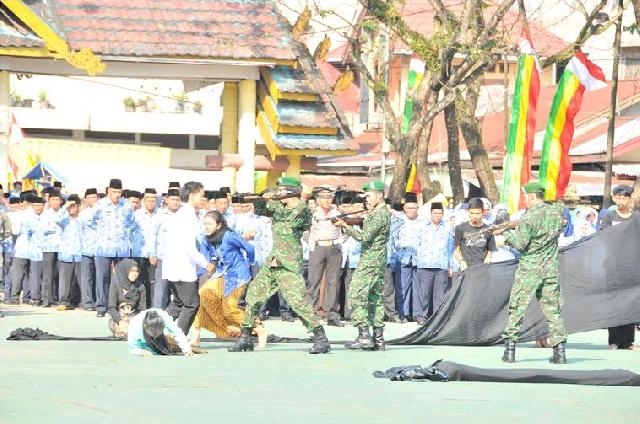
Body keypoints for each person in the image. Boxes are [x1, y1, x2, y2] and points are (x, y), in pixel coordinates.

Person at [228, 176, 330, 354]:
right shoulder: (278, 207)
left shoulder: (302, 210)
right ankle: (246, 336)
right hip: (273, 261)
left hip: (288, 263)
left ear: (291, 192)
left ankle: (321, 338)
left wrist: (273, 200)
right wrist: (261, 198)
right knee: (253, 296)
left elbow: (290, 215)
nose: (278, 193)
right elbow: (261, 209)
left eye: (282, 190)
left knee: (298, 302)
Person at [497, 181, 567, 364]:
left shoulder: (528, 218)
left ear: (531, 196)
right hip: (550, 268)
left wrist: (504, 232)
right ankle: (560, 352)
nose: (524, 201)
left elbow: (520, 244)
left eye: (525, 197)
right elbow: (560, 226)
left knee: (517, 308)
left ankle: (510, 351)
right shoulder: (556, 214)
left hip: (529, 269)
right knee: (554, 311)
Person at [190, 211, 266, 347]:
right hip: (222, 274)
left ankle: (258, 328)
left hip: (238, 275)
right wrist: (209, 268)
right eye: (205, 224)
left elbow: (249, 248)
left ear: (219, 225)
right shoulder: (206, 238)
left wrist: (249, 262)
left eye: (209, 224)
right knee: (205, 295)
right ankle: (196, 336)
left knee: (229, 309)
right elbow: (210, 256)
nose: (206, 226)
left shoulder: (229, 236)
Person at [335, 180, 390, 350]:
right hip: (376, 260)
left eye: (369, 195)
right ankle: (378, 339)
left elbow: (364, 237)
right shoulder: (376, 212)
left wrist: (345, 226)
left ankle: (364, 336)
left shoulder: (380, 214)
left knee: (356, 295)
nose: (366, 199)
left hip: (371, 261)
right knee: (375, 298)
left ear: (380, 195)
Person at [163, 182, 214, 336]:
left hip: (179, 266)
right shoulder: (186, 216)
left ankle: (155, 331)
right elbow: (188, 247)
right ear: (192, 196)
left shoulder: (186, 214)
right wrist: (205, 264)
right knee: (192, 304)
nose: (203, 199)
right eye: (201, 195)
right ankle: (178, 338)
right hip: (181, 267)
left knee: (178, 304)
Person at [89, 179, 135, 317]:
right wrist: (100, 234)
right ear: (108, 190)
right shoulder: (100, 205)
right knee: (102, 277)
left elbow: (132, 222)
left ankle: (119, 306)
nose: (117, 195)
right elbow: (89, 221)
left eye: (119, 192)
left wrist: (125, 235)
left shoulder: (126, 206)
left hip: (120, 247)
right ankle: (101, 307)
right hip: (103, 246)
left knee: (121, 278)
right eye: (114, 192)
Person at [600, 185, 637, 350]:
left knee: (630, 302)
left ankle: (628, 341)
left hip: (632, 267)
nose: (621, 201)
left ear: (629, 199)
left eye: (625, 198)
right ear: (614, 198)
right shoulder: (609, 217)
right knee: (614, 303)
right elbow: (606, 238)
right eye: (619, 198)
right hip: (613, 266)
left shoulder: (636, 218)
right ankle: (614, 340)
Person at [306, 186, 345, 326]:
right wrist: (312, 244)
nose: (327, 200)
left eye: (329, 197)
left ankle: (332, 315)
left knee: (333, 282)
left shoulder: (338, 212)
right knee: (313, 281)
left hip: (334, 248)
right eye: (323, 197)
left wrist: (339, 243)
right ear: (317, 200)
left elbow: (346, 229)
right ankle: (311, 314)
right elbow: (305, 231)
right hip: (318, 248)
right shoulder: (311, 213)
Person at [415, 202, 454, 323]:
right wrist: (418, 260)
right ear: (431, 214)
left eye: (439, 213)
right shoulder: (422, 227)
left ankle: (437, 319)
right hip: (425, 265)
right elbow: (417, 244)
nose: (437, 215)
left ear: (443, 214)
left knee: (440, 295)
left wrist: (450, 266)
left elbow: (450, 248)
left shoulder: (447, 229)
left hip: (441, 266)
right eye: (435, 213)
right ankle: (422, 317)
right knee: (424, 294)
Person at [9, 196, 44, 305]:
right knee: (33, 275)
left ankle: (14, 298)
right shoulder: (42, 216)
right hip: (36, 250)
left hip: (21, 249)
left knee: (18, 275)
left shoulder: (20, 214)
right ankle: (30, 298)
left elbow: (15, 231)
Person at [150, 188, 181, 309]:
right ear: (167, 200)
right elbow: (152, 235)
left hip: (179, 257)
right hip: (163, 257)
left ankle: (178, 311)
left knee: (179, 286)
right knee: (161, 287)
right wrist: (152, 254)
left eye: (177, 200)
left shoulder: (183, 214)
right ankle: (157, 311)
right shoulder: (160, 215)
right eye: (172, 199)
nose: (175, 202)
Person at [393, 192, 421, 322]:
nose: (411, 210)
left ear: (417, 208)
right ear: (404, 208)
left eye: (414, 208)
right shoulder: (398, 220)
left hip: (419, 258)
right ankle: (402, 313)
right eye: (408, 208)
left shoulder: (423, 221)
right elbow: (393, 239)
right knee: (402, 287)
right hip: (402, 257)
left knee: (418, 287)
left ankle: (416, 314)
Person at [131, 188, 158, 308]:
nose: (151, 202)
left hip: (155, 254)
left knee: (154, 282)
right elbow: (130, 233)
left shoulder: (161, 214)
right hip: (140, 253)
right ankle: (139, 306)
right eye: (149, 200)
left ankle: (152, 306)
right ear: (143, 201)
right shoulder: (136, 215)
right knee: (139, 281)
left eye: (154, 200)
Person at [56, 195, 83, 311]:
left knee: (81, 280)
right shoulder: (64, 220)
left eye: (74, 206)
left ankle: (80, 301)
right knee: (65, 280)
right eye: (70, 206)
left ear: (78, 206)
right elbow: (56, 220)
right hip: (66, 254)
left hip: (80, 253)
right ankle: (63, 302)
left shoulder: (82, 220)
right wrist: (65, 207)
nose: (72, 208)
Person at [128, 309, 193, 356]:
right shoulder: (135, 324)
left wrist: (186, 348)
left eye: (157, 333)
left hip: (162, 336)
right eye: (153, 333)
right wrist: (140, 351)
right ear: (145, 326)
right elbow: (133, 348)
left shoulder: (164, 317)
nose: (155, 335)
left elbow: (177, 332)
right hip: (144, 343)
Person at [453, 197, 495, 270]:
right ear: (468, 212)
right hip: (465, 270)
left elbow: (490, 250)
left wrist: (488, 258)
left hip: (482, 270)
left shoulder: (488, 230)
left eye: (478, 213)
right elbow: (457, 252)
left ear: (483, 212)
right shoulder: (460, 228)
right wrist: (461, 261)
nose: (474, 216)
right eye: (472, 213)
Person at [108, 259, 146, 337]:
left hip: (133, 318)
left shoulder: (141, 287)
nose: (135, 274)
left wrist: (136, 321)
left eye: (137, 271)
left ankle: (127, 331)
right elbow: (111, 308)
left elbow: (142, 309)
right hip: (118, 318)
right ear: (126, 270)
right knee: (114, 325)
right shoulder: (115, 285)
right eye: (132, 271)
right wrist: (120, 321)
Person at [40, 189, 64, 307]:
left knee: (60, 275)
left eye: (57, 200)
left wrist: (53, 225)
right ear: (49, 201)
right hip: (48, 247)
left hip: (61, 248)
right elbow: (44, 229)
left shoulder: (64, 212)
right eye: (53, 200)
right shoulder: (45, 214)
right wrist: (55, 226)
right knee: (48, 275)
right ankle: (46, 299)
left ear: (60, 201)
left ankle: (59, 299)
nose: (55, 202)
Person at [79, 188, 99, 311]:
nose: (93, 200)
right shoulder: (83, 214)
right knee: (87, 277)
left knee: (100, 277)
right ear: (86, 199)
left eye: (95, 197)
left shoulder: (102, 212)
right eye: (91, 197)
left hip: (100, 249)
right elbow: (80, 231)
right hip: (86, 249)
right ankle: (87, 302)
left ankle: (99, 301)